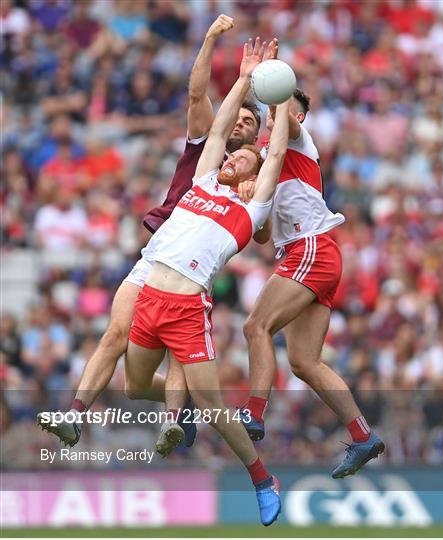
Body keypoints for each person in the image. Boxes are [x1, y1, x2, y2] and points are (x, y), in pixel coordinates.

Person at [37, 16, 274, 447]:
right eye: (236, 118)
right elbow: (197, 92)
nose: (239, 125)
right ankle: (77, 414)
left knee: (178, 359)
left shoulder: (254, 181)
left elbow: (260, 236)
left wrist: (256, 189)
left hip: (192, 272)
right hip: (156, 256)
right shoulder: (206, 147)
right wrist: (208, 41)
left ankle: (178, 417)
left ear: (258, 139)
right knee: (117, 344)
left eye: (249, 123)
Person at [125, 37, 288, 527]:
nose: (232, 157)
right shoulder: (202, 181)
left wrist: (277, 102)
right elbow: (216, 129)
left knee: (219, 408)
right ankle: (187, 408)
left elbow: (275, 152)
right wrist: (242, 77)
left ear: (253, 179)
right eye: (231, 157)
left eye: (243, 161)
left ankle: (262, 478)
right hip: (151, 297)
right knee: (134, 388)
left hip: (187, 309)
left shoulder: (249, 207)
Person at [239, 90, 385, 479]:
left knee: (256, 326)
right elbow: (262, 236)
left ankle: (253, 414)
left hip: (312, 248)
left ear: (297, 117)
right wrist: (254, 198)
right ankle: (363, 435)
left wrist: (276, 90)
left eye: (280, 110)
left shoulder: (299, 141)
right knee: (304, 361)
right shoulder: (267, 165)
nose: (273, 116)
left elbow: (284, 120)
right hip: (306, 253)